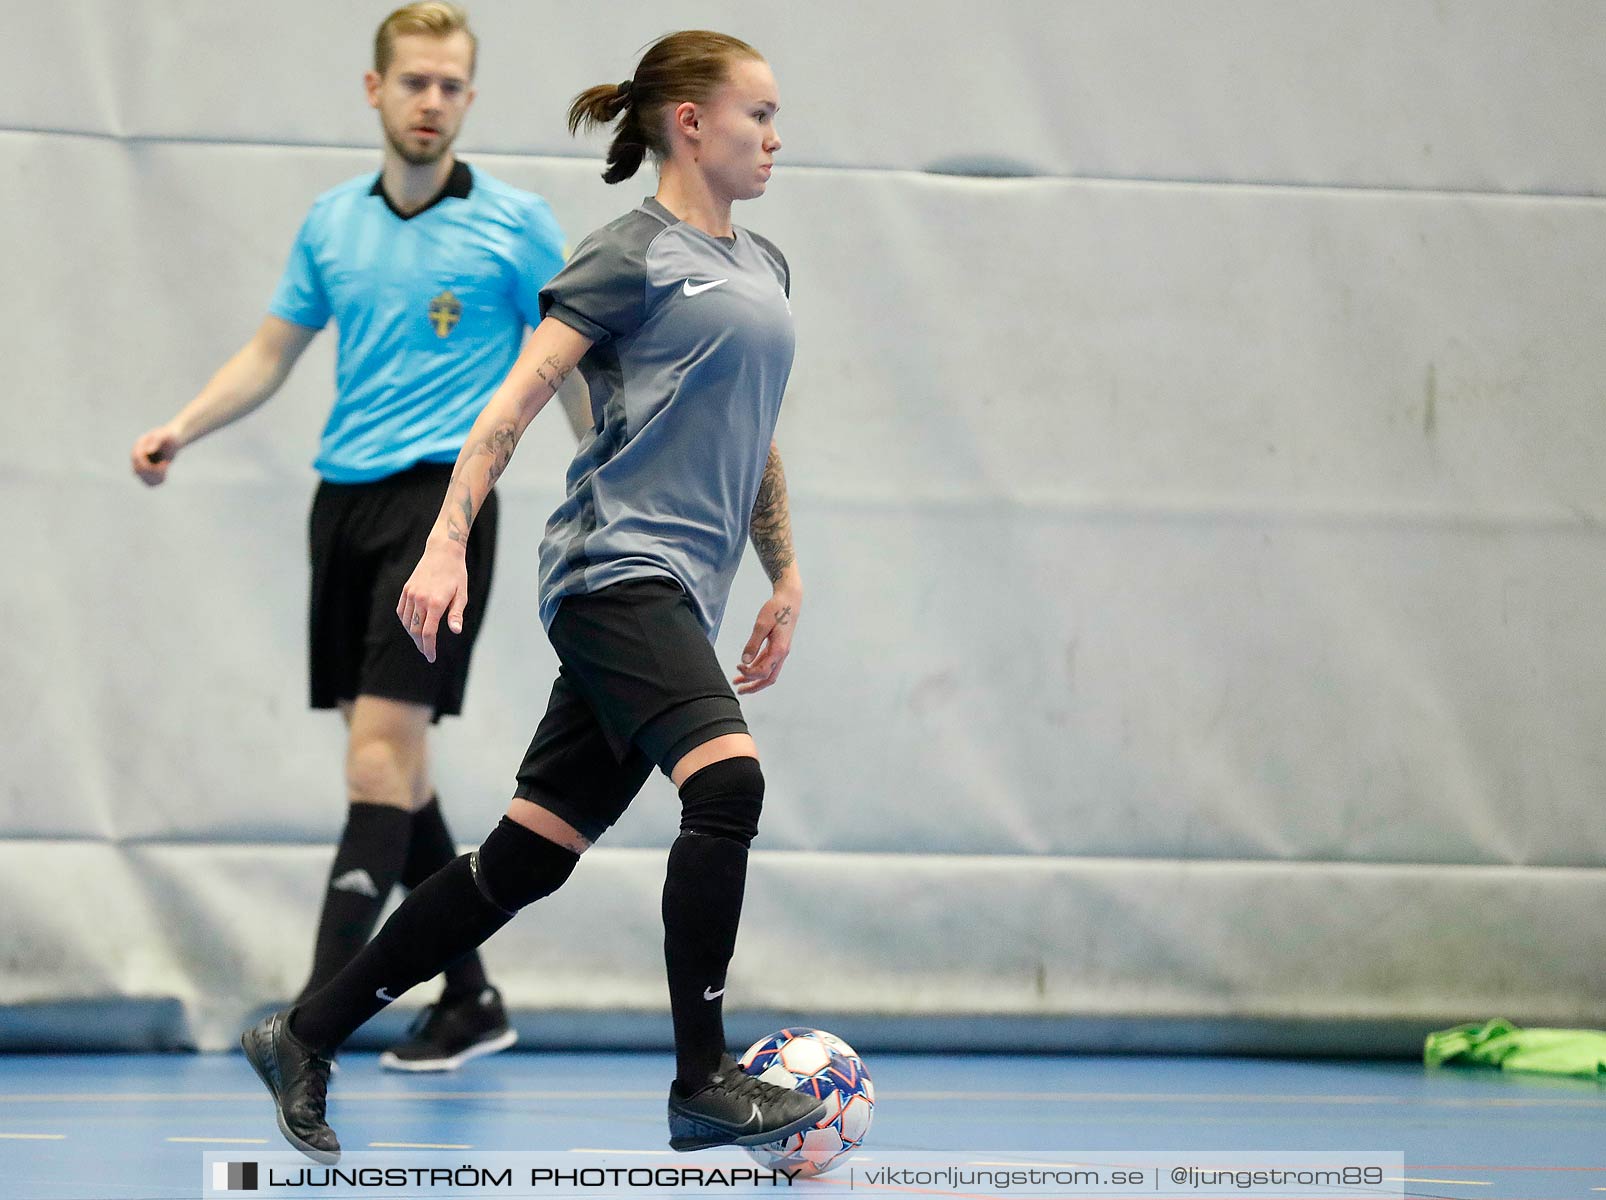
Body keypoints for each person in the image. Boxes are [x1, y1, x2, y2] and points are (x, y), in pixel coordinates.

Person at [240, 28, 825, 1163]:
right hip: (614, 577)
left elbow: (750, 435)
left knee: (524, 860)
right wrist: (446, 541)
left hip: (683, 595)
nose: (775, 135)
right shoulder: (630, 255)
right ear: (688, 123)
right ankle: (701, 1077)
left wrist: (785, 571)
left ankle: (304, 1032)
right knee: (729, 784)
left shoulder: (768, 266)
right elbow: (508, 406)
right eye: (757, 113)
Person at [131, 2, 585, 1072]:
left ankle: (307, 1024)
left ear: (470, 99)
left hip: (443, 510)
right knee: (397, 766)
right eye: (414, 81)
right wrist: (182, 428)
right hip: (341, 508)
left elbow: (571, 365)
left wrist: (602, 475)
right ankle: (469, 999)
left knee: (378, 763)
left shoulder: (515, 227)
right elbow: (269, 351)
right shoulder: (332, 222)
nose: (431, 102)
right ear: (374, 90)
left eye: (451, 86)